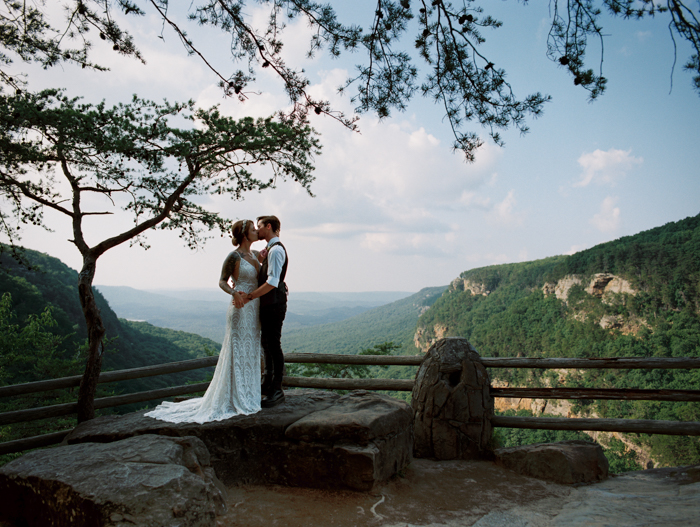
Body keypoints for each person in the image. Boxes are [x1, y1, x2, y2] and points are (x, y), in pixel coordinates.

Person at [145, 219, 262, 423]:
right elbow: (221, 281)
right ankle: (234, 397)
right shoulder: (233, 256)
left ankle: (248, 394)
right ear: (244, 234)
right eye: (253, 229)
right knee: (237, 350)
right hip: (240, 308)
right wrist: (234, 293)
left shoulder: (254, 256)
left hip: (255, 308)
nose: (256, 231)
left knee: (250, 349)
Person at [244, 215, 288, 408]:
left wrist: (250, 296)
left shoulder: (276, 250)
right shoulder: (269, 250)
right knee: (267, 344)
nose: (258, 230)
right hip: (269, 303)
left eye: (259, 226)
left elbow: (272, 281)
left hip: (274, 304)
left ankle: (277, 389)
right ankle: (267, 384)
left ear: (268, 227)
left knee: (273, 344)